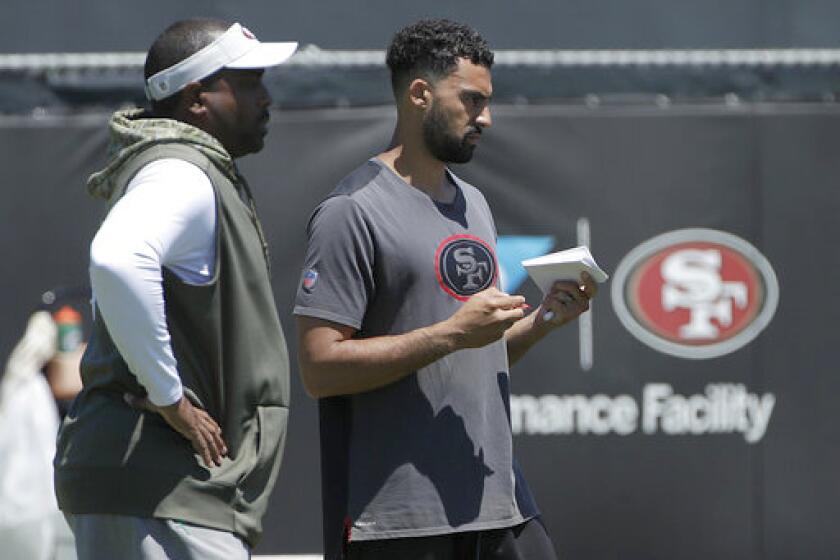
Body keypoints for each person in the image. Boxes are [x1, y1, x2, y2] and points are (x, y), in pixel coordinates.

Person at [294, 18, 598, 560]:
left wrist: (543, 320)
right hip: (400, 521)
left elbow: (476, 355)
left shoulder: (473, 203)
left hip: (498, 503)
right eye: (472, 101)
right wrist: (452, 333)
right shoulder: (350, 211)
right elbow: (320, 369)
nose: (487, 118)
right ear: (419, 94)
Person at [54, 18, 297, 559]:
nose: (266, 100)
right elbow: (118, 259)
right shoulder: (180, 173)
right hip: (162, 486)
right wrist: (171, 400)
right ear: (196, 99)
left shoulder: (185, 169)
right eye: (249, 83)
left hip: (154, 487)